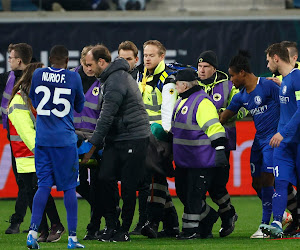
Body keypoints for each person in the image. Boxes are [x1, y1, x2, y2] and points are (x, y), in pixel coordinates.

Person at [82, 44, 150, 242]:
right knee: (104, 179)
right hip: (117, 138)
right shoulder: (109, 78)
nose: (88, 68)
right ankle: (113, 225)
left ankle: (124, 230)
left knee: (128, 186)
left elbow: (106, 117)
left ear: (101, 62)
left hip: (133, 137)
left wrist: (91, 147)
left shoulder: (116, 80)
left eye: (90, 64)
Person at [26, 45, 85, 249]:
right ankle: (73, 238)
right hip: (64, 141)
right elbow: (79, 106)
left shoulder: (38, 74)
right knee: (69, 188)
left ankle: (32, 233)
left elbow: (34, 100)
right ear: (68, 61)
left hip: (42, 139)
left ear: (50, 59)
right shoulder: (73, 77)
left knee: (43, 186)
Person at [219, 50, 282, 239]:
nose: (231, 80)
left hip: (273, 140)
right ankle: (284, 214)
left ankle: (266, 225)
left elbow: (288, 105)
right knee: (256, 184)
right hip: (258, 142)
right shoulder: (240, 97)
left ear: (242, 73)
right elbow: (223, 117)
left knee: (269, 179)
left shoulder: (269, 86)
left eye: (232, 75)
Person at [8, 62, 65, 243]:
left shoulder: (35, 97)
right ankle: (48, 227)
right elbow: (27, 133)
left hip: (32, 154)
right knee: (34, 192)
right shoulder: (19, 101)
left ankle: (49, 228)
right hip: (29, 154)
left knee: (36, 191)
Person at [171, 68, 229, 239]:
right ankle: (209, 217)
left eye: (177, 83)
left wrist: (219, 149)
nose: (175, 86)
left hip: (200, 160)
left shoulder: (202, 102)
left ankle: (191, 230)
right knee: (183, 192)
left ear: (184, 85)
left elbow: (214, 127)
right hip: (185, 160)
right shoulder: (182, 100)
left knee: (194, 195)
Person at [138, 40, 180, 239]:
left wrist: (162, 138)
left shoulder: (167, 79)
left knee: (154, 176)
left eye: (151, 55)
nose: (147, 58)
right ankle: (171, 223)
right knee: (157, 177)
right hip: (144, 134)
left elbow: (167, 110)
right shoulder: (141, 74)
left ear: (162, 56)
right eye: (145, 54)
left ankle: (152, 221)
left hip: (161, 135)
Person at [197, 50, 240, 237]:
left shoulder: (228, 84)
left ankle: (227, 214)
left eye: (206, 67)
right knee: (198, 185)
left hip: (221, 140)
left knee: (217, 186)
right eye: (199, 66)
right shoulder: (192, 83)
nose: (202, 70)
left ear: (214, 68)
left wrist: (227, 113)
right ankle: (214, 219)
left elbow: (242, 109)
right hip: (197, 142)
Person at [260, 43, 300, 238]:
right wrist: (280, 84)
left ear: (276, 58)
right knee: (281, 182)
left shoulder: (297, 77)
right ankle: (277, 223)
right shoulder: (285, 80)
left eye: (268, 60)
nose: (267, 64)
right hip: (284, 144)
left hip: (294, 140)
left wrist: (283, 132)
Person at [117, 40, 149, 235]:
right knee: (124, 182)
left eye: (129, 59)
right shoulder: (113, 78)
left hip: (139, 134)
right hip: (121, 136)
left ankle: (143, 221)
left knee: (144, 181)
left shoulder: (141, 79)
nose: (125, 62)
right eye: (121, 58)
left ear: (136, 60)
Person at [71, 45, 103, 240]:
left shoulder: (104, 81)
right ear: (81, 61)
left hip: (95, 139)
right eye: (86, 64)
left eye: (92, 64)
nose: (89, 68)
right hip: (74, 140)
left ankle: (94, 227)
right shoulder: (70, 78)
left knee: (98, 184)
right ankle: (106, 206)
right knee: (78, 183)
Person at [0, 43, 32, 234]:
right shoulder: (7, 78)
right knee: (25, 183)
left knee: (30, 183)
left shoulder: (33, 79)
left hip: (31, 140)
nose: (9, 60)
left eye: (11, 58)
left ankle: (20, 221)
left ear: (19, 60)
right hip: (14, 139)